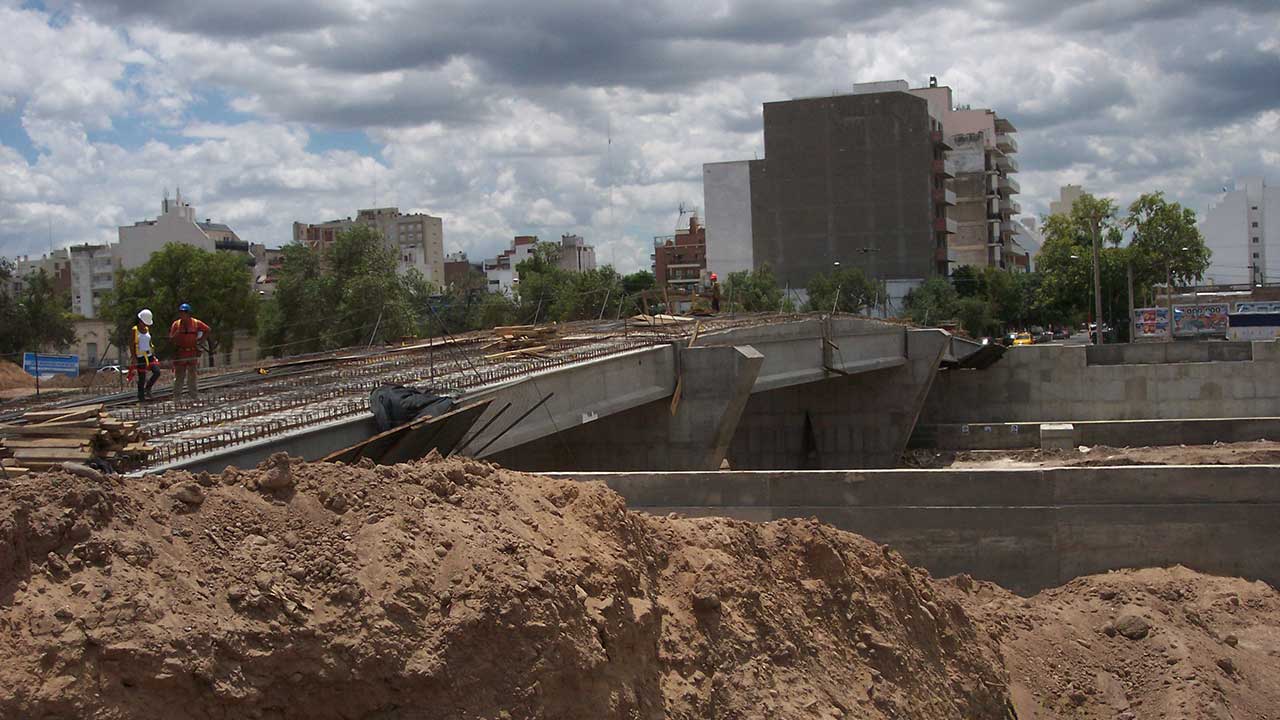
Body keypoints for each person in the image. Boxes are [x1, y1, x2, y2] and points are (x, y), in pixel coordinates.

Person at [169, 302, 210, 400]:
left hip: (192, 352)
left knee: (192, 376)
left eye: (185, 312)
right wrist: (177, 333)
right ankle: (177, 397)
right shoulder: (176, 324)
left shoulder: (196, 323)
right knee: (179, 376)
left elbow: (207, 329)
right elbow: (171, 339)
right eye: (181, 312)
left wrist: (201, 341)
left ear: (189, 313)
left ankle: (193, 395)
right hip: (181, 353)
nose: (183, 314)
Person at [130, 308, 161, 402]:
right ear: (140, 321)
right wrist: (134, 357)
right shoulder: (135, 330)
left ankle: (148, 388)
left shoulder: (147, 329)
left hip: (150, 356)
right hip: (140, 357)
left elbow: (149, 342)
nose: (146, 325)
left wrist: (154, 355)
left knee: (157, 372)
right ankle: (141, 397)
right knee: (142, 378)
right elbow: (131, 344)